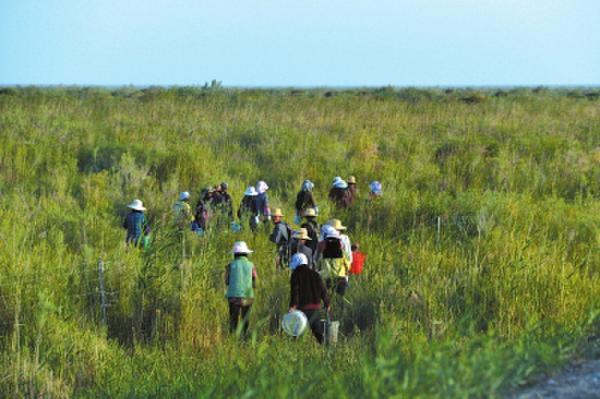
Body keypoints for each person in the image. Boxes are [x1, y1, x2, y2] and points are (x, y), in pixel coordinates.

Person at [288, 253, 330, 344]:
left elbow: (295, 292)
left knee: (296, 334)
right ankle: (326, 350)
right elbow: (323, 290)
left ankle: (294, 350)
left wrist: (293, 306)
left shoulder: (295, 274)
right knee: (318, 334)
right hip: (315, 308)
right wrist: (327, 303)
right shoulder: (315, 274)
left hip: (302, 309)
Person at [225, 241, 257, 336]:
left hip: (233, 296)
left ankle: (233, 337)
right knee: (245, 318)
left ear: (234, 254)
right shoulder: (251, 265)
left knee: (233, 318)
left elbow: (226, 281)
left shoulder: (229, 266)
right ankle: (244, 336)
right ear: (246, 254)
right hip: (247, 296)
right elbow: (255, 278)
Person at [317, 226, 350, 297]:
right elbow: (347, 265)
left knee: (328, 298)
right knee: (340, 300)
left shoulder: (323, 253)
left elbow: (318, 265)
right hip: (341, 277)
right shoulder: (341, 253)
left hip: (327, 278)